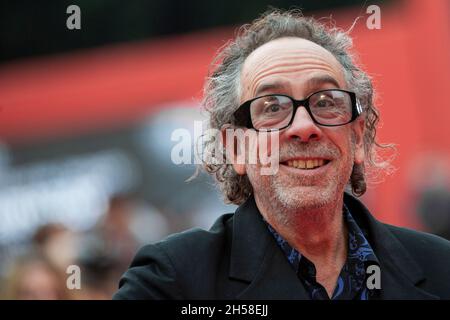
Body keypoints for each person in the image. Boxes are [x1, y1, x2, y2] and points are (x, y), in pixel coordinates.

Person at [113, 9, 450, 300]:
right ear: (236, 148)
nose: (304, 127)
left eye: (325, 102)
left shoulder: (441, 269)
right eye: (271, 106)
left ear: (357, 137)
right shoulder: (173, 282)